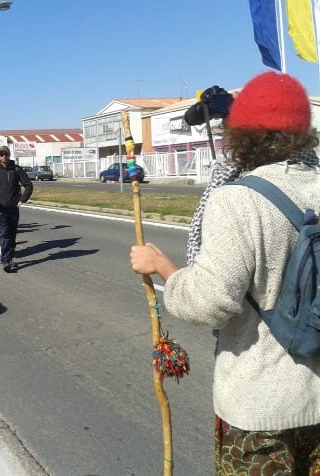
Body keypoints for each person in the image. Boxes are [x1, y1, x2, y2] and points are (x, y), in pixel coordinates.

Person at [130, 71, 320, 474]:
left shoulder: (237, 200)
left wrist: (162, 267)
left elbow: (209, 303)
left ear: (243, 133)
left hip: (260, 411)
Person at [0, 145, 33, 272]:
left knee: (12, 235)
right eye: (1, 154)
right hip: (0, 209)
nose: (4, 156)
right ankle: (6, 261)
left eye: (6, 154)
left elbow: (28, 185)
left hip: (13, 209)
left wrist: (22, 200)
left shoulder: (17, 170)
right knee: (5, 234)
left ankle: (10, 257)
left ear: (9, 155)